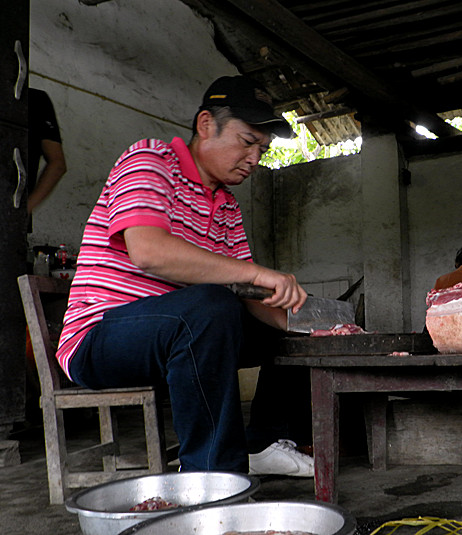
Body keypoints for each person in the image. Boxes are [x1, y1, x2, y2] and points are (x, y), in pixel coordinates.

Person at [56, 76, 314, 476]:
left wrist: (313, 326)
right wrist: (260, 273)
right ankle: (209, 475)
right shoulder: (149, 160)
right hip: (101, 337)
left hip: (183, 331)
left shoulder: (226, 205)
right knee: (211, 307)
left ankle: (262, 443)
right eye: (247, 142)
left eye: (261, 149)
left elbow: (248, 293)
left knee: (295, 330)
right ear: (206, 124)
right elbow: (149, 251)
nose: (254, 158)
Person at [27, 88, 67, 215]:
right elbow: (58, 165)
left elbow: (57, 165)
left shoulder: (34, 99)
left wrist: (23, 210)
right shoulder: (35, 99)